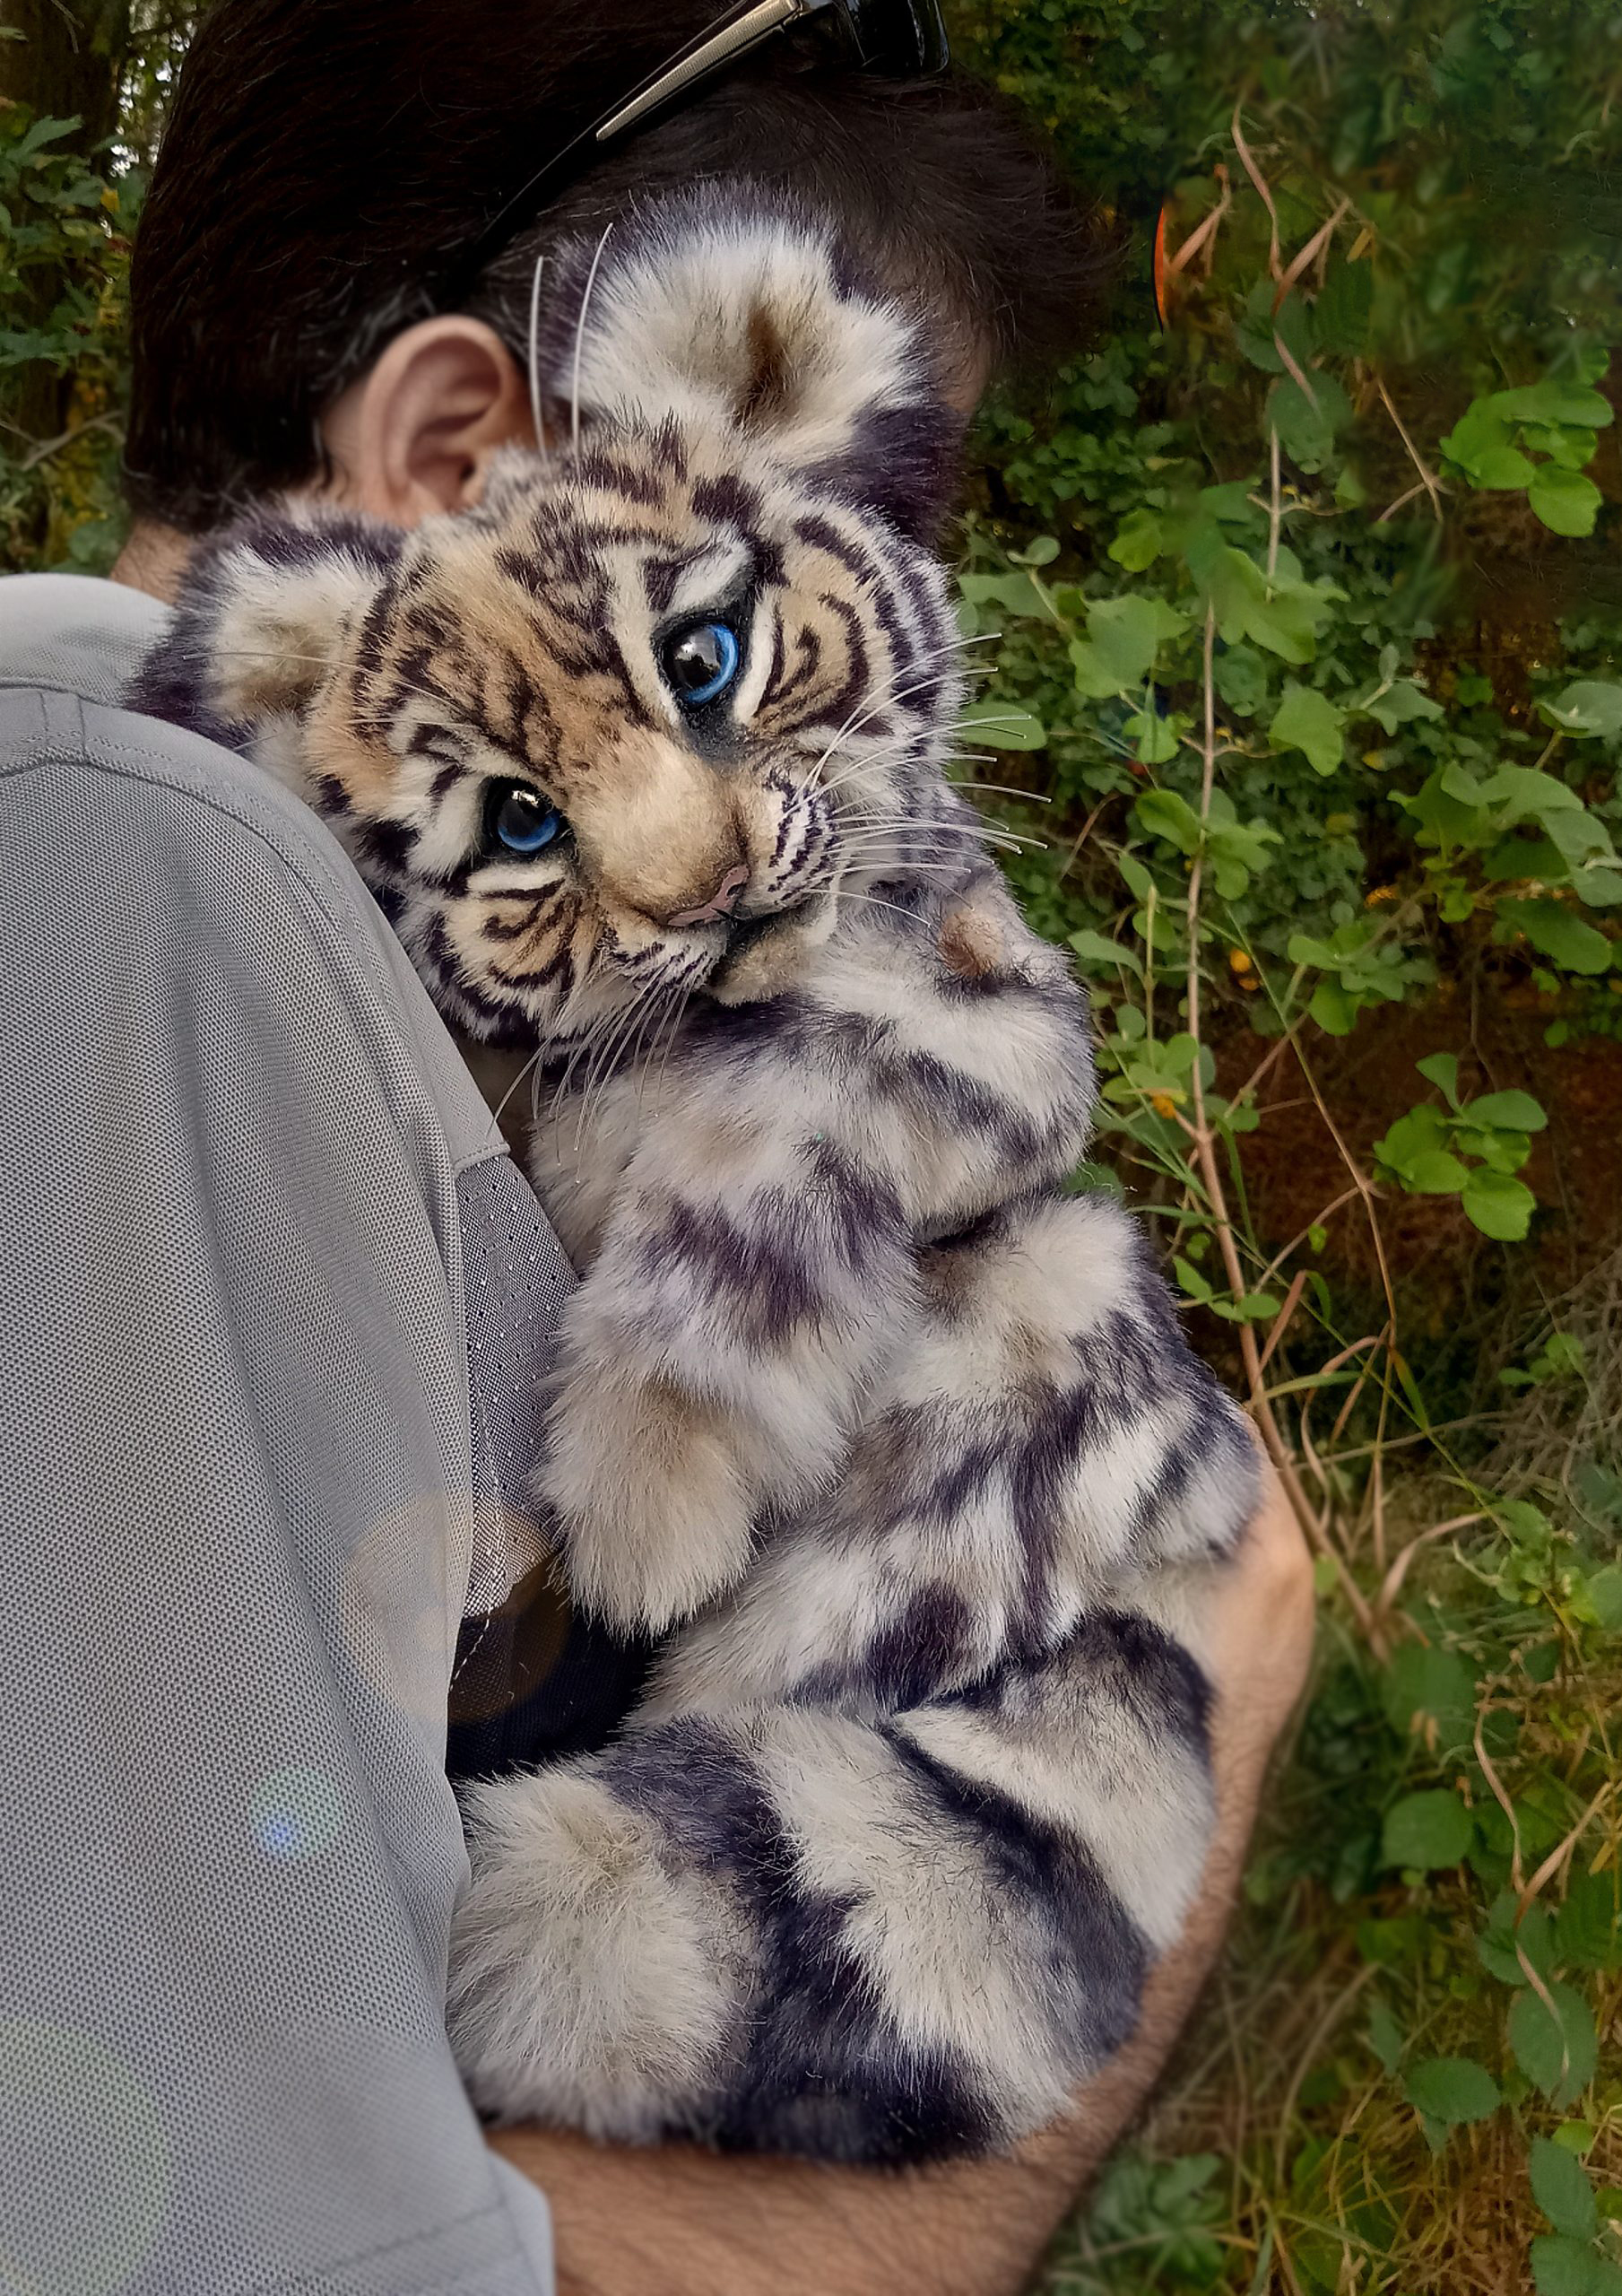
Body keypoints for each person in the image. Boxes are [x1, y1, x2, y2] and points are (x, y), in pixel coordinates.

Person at [0, 3, 1315, 2291]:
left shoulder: (390, 972)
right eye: (866, 520)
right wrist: (1187, 1754)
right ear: (449, 459)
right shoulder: (121, 843)